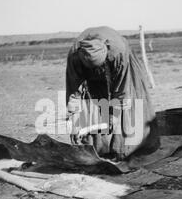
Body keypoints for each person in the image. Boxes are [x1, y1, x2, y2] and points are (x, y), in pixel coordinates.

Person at [65, 26, 160, 161]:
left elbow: (122, 91)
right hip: (91, 77)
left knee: (128, 106)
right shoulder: (75, 57)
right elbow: (73, 91)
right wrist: (73, 122)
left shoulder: (118, 51)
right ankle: (99, 149)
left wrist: (113, 117)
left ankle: (127, 147)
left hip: (121, 70)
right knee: (93, 107)